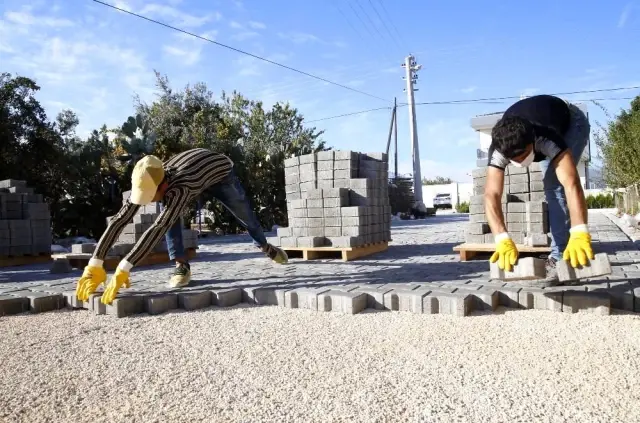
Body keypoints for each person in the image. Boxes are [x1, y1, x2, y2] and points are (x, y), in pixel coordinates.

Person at [75, 148, 289, 305]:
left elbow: (158, 228)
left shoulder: (180, 188)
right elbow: (120, 219)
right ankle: (182, 266)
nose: (148, 200)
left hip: (221, 174)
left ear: (164, 185)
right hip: (194, 171)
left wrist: (123, 269)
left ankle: (264, 246)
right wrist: (95, 264)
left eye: (152, 196)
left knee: (245, 216)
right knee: (169, 213)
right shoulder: (147, 177)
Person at [484, 94, 594, 286]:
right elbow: (491, 194)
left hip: (571, 123)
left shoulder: (547, 139)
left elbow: (571, 184)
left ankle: (560, 256)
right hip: (540, 120)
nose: (520, 163)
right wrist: (501, 238)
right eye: (514, 160)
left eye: (523, 156)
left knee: (556, 183)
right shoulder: (500, 148)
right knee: (551, 186)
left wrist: (580, 230)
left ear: (532, 143)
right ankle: (561, 248)